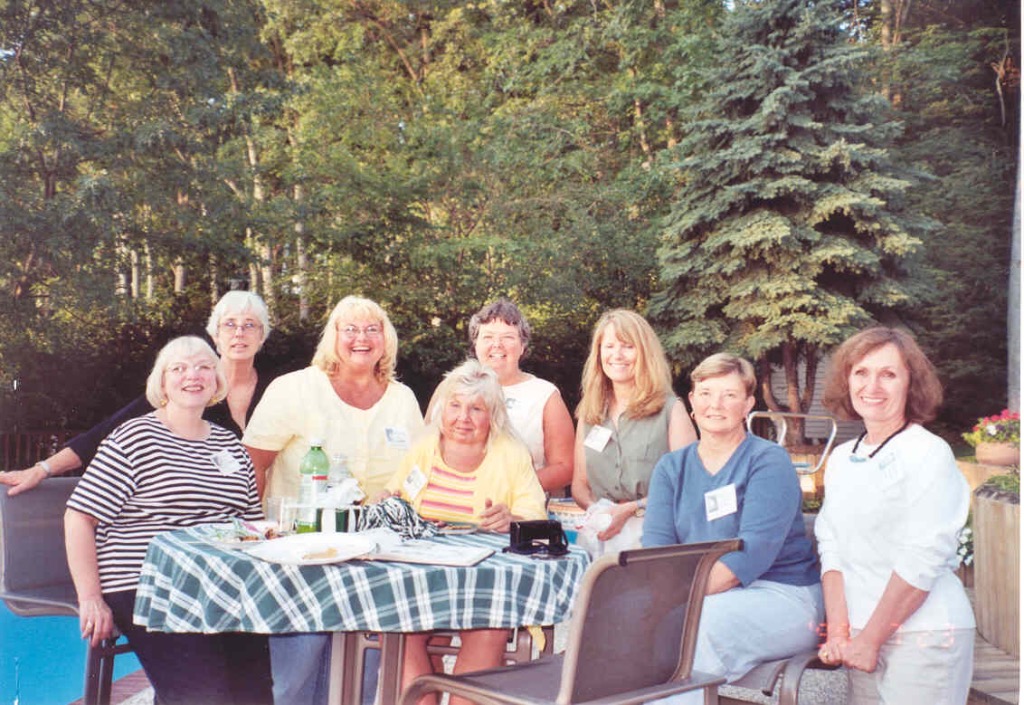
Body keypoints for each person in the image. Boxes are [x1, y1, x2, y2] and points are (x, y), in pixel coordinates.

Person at [64, 336, 272, 705]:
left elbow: (251, 525)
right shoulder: (134, 437)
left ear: (217, 380)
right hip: (147, 582)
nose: (193, 375)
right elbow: (79, 517)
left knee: (254, 692)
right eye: (179, 368)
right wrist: (91, 597)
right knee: (204, 694)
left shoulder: (229, 445)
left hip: (220, 586)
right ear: (162, 383)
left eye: (205, 366)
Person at [242, 295, 424, 705]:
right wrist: (258, 534)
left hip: (375, 558)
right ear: (333, 337)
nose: (362, 338)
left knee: (360, 675)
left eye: (372, 329)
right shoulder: (294, 389)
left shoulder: (402, 399)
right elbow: (253, 466)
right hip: (301, 551)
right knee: (292, 678)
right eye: (351, 329)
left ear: (386, 340)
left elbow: (418, 471)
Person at [642, 353, 823, 703]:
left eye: (729, 394)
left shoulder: (768, 460)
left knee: (696, 626)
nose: (716, 405)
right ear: (692, 401)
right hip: (697, 596)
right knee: (621, 624)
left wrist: (672, 603)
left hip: (781, 595)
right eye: (706, 393)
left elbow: (749, 557)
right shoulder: (671, 468)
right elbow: (657, 554)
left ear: (748, 404)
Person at [815, 327, 975, 703]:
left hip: (925, 636)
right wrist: (839, 633)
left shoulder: (928, 453)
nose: (873, 386)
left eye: (888, 374)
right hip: (860, 636)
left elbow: (922, 558)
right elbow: (831, 547)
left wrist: (870, 639)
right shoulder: (841, 458)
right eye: (861, 373)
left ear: (910, 384)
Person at [382, 359, 547, 705]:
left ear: (493, 416)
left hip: (486, 583)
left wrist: (511, 519)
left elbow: (538, 523)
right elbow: (393, 498)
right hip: (420, 579)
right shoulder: (424, 447)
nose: (463, 418)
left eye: (476, 409)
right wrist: (388, 502)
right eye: (455, 406)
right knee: (397, 623)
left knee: (490, 627)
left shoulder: (512, 453)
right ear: (442, 409)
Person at [1, 290, 273, 496]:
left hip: (260, 515)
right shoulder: (187, 388)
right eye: (230, 324)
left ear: (262, 336)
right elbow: (103, 433)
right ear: (215, 336)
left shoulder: (278, 390)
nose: (239, 333)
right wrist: (42, 469)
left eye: (250, 325)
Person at [571, 309, 696, 545]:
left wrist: (630, 510)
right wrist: (597, 513)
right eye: (609, 346)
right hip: (600, 532)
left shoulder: (671, 410)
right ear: (598, 354)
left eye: (628, 346)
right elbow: (579, 484)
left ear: (645, 353)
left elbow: (688, 485)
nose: (617, 354)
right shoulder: (589, 413)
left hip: (654, 532)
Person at [465, 299, 574, 493]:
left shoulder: (545, 395)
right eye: (488, 337)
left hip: (523, 513)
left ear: (523, 346)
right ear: (475, 344)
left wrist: (511, 490)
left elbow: (565, 468)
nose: (497, 345)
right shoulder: (453, 389)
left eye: (508, 337)